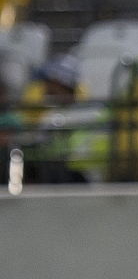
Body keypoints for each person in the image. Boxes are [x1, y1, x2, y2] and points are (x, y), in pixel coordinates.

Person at [27, 53, 109, 183]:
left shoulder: (93, 113)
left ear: (64, 83)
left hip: (84, 179)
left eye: (51, 82)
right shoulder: (50, 115)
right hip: (59, 177)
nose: (46, 87)